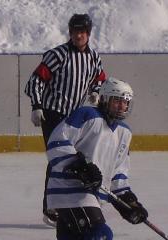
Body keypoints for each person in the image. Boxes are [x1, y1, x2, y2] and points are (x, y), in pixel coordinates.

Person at [0, 77, 148, 240]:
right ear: (105, 99)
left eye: (126, 102)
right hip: (69, 189)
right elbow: (57, 141)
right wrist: (79, 166)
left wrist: (129, 203)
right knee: (99, 234)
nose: (122, 106)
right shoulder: (87, 115)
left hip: (91, 197)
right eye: (118, 100)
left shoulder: (124, 133)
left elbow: (118, 175)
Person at [24, 13, 106, 227]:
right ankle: (51, 208)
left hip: (74, 117)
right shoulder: (58, 55)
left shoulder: (93, 57)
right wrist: (37, 106)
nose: (79, 35)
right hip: (53, 114)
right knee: (59, 158)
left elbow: (100, 78)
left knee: (76, 159)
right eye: (75, 31)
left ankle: (71, 204)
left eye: (83, 31)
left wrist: (96, 92)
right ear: (70, 33)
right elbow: (35, 80)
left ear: (88, 34)